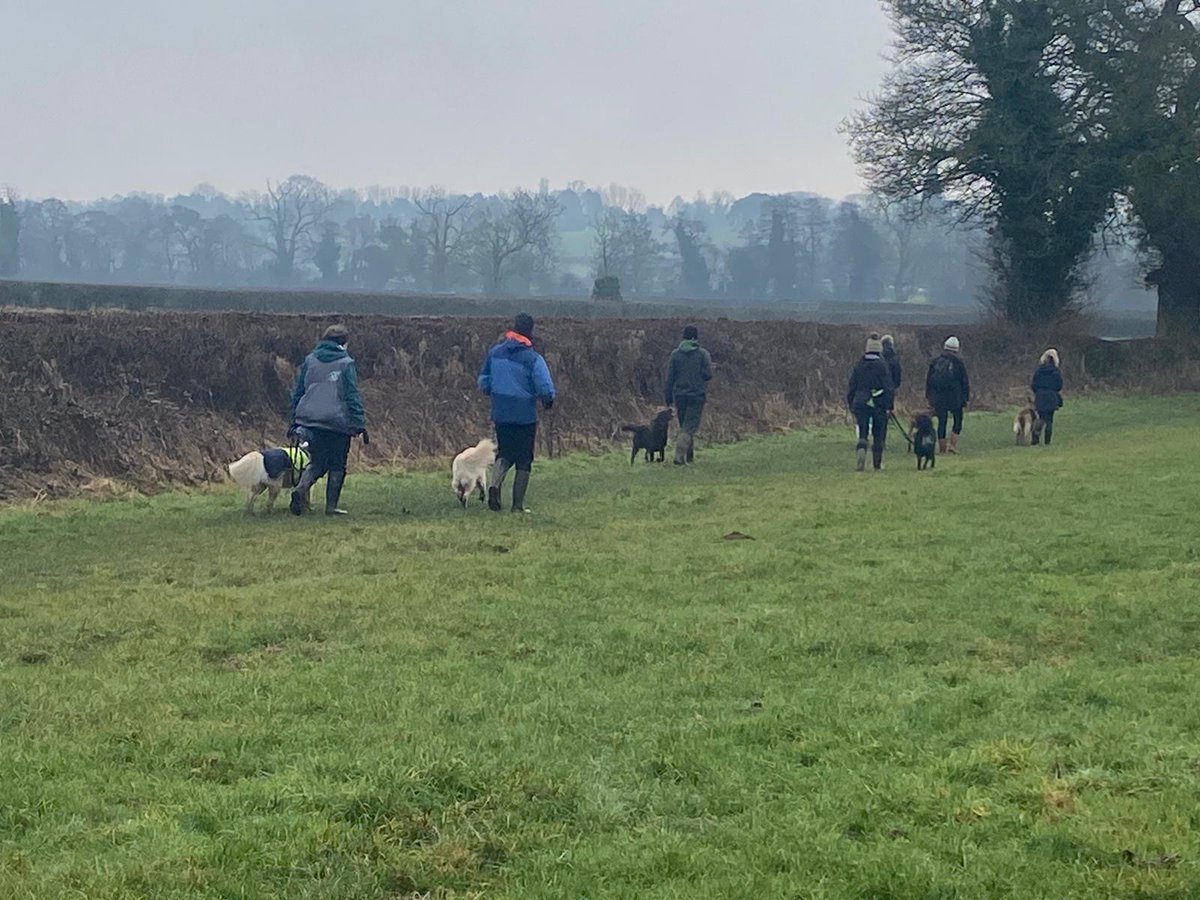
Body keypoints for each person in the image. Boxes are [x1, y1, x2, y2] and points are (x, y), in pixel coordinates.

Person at [478, 313, 556, 513]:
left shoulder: (494, 353)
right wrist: (548, 400)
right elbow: (544, 386)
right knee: (523, 459)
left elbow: (484, 381)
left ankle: (495, 485)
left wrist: (493, 393)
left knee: (504, 452)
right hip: (524, 416)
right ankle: (517, 506)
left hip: (501, 411)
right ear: (530, 331)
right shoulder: (533, 358)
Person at [289, 324, 367, 516]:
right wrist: (358, 422)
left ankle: (300, 489)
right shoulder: (346, 363)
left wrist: (294, 420)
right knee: (338, 463)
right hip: (337, 422)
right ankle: (331, 507)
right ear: (344, 342)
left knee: (317, 462)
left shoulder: (310, 360)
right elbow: (351, 394)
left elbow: (299, 391)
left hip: (309, 419)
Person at [664, 325, 713, 465]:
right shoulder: (702, 354)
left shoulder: (675, 354)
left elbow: (670, 378)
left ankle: (689, 457)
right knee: (689, 428)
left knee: (685, 426)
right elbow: (708, 374)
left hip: (680, 396)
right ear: (695, 338)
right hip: (697, 396)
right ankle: (679, 457)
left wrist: (668, 397)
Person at [846, 333, 895, 471]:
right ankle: (877, 464)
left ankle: (861, 450)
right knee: (878, 433)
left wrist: (851, 403)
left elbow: (852, 386)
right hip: (878, 403)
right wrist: (889, 405)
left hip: (861, 402)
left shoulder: (859, 365)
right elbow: (889, 387)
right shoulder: (883, 366)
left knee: (863, 430)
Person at [925, 335, 970, 454]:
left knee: (942, 422)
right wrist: (966, 397)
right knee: (958, 420)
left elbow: (929, 381)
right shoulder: (958, 363)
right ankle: (953, 446)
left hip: (939, 398)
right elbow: (964, 381)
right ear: (956, 349)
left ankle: (942, 449)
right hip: (955, 397)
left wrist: (929, 397)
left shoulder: (935, 361)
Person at [1031, 348, 1063, 446]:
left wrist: (1038, 392)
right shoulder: (1056, 372)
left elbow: (1033, 384)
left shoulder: (1039, 371)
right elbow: (1059, 385)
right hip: (1051, 396)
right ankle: (1047, 442)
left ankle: (1035, 438)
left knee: (1041, 418)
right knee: (1049, 420)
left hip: (1040, 396)